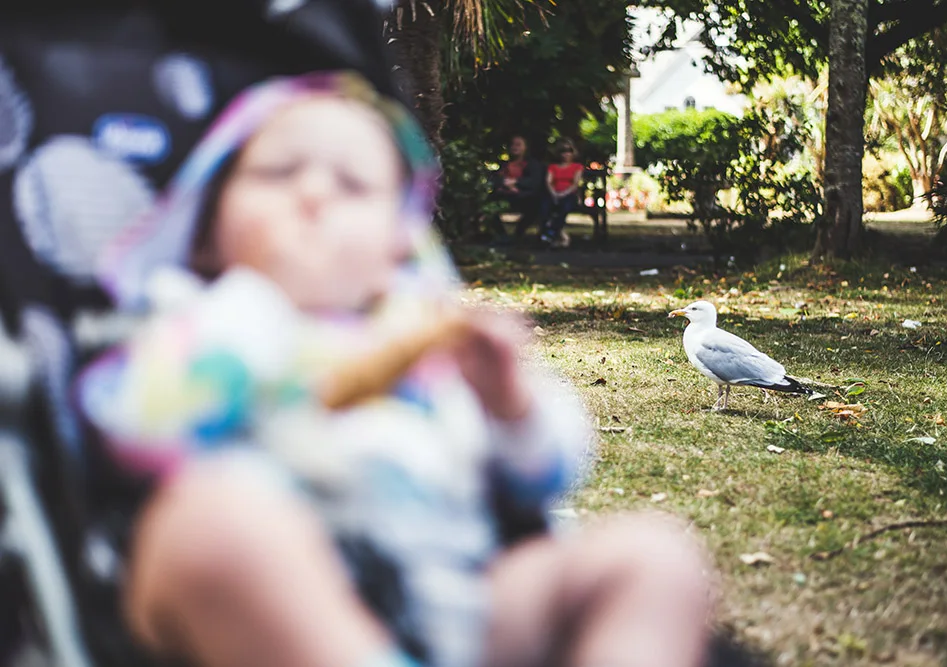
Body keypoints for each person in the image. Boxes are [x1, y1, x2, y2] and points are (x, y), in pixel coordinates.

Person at [77, 72, 712, 667]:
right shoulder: (197, 319)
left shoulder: (425, 335)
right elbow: (139, 427)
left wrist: (509, 405)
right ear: (207, 230)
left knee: (652, 556)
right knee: (209, 524)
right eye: (278, 173)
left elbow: (545, 478)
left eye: (353, 186)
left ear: (396, 246)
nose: (314, 193)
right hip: (284, 592)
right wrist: (255, 301)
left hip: (454, 588)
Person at [491, 135, 544, 242]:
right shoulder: (505, 164)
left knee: (536, 205)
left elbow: (535, 182)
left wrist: (516, 183)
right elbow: (497, 179)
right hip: (505, 195)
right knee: (489, 206)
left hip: (525, 196)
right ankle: (502, 235)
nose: (515, 147)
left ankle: (518, 233)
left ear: (525, 148)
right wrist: (508, 185)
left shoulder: (533, 164)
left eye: (518, 145)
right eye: (513, 145)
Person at [541, 138, 585, 248]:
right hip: (554, 193)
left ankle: (551, 232)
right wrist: (554, 193)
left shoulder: (577, 167)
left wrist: (564, 193)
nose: (566, 154)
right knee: (545, 206)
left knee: (565, 206)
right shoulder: (553, 167)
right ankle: (553, 233)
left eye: (568, 150)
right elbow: (549, 181)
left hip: (569, 194)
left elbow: (575, 183)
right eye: (562, 151)